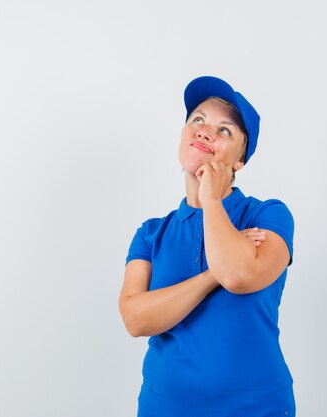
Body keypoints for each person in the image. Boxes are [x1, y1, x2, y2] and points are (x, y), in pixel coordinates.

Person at [119, 76, 296, 417]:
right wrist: (209, 277)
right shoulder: (151, 233)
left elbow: (240, 275)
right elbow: (135, 319)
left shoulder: (268, 215)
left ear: (240, 161)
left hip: (256, 408)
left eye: (224, 130)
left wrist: (211, 197)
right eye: (197, 120)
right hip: (164, 408)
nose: (204, 132)